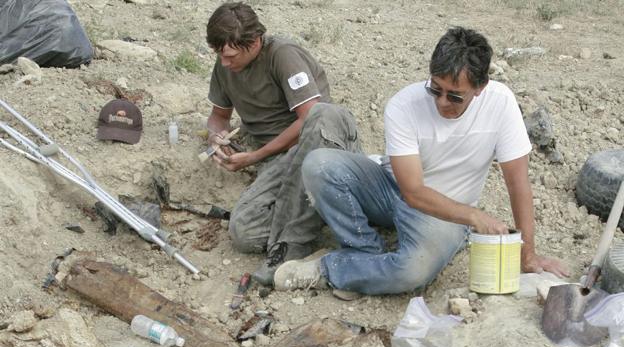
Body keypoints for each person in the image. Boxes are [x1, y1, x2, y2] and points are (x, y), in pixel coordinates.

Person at [273, 26, 569, 296]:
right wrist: (477, 217)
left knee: (413, 270)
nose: (441, 102)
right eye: (435, 89)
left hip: (445, 212)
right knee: (319, 164)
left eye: (455, 96)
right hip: (392, 189)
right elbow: (412, 191)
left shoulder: (501, 104)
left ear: (480, 88)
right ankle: (365, 256)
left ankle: (330, 269)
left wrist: (527, 255)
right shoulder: (404, 105)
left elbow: (518, 184)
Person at [204, 2, 360, 285]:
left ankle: (291, 244)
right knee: (244, 233)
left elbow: (311, 116)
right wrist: (217, 136)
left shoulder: (283, 55)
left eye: (229, 55)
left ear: (253, 43)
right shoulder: (225, 62)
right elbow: (218, 117)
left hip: (314, 146)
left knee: (323, 118)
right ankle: (319, 212)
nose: (224, 63)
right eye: (219, 54)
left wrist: (255, 156)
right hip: (274, 161)